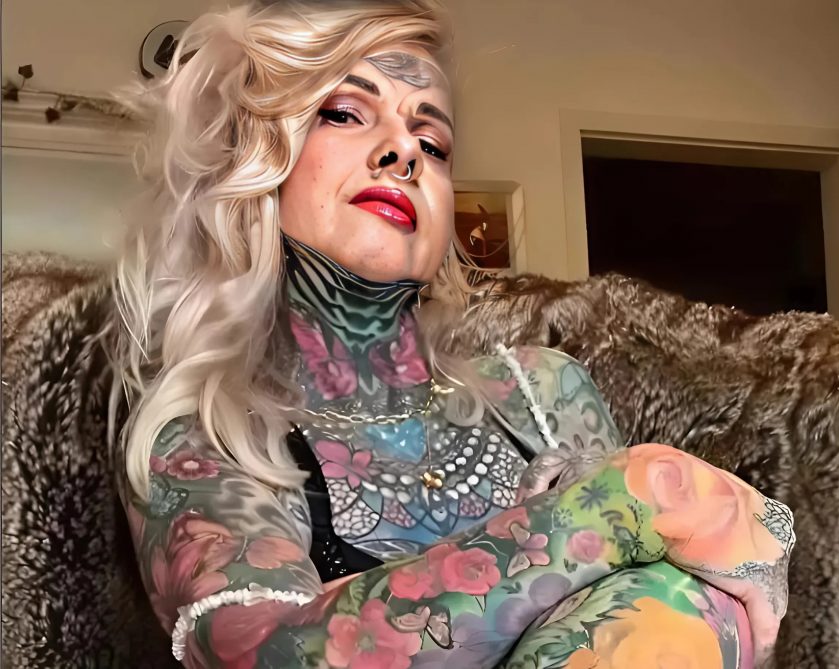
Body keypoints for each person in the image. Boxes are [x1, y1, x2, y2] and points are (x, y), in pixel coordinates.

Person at [111, 1, 794, 667]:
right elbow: (253, 650)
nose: (405, 150)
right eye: (345, 112)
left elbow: (669, 597)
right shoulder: (207, 429)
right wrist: (627, 500)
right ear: (252, 157)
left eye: (433, 144)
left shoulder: (542, 390)